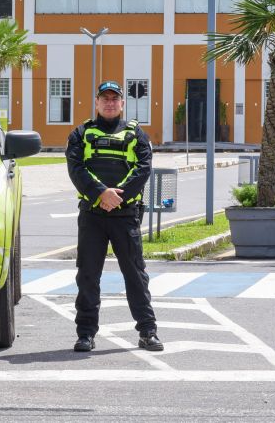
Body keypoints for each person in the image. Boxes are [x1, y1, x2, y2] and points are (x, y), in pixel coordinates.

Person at [65, 80, 163, 353]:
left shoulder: (136, 134)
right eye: (104, 98)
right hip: (92, 216)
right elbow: (76, 169)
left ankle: (147, 331)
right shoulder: (81, 134)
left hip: (125, 216)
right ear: (96, 103)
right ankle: (85, 334)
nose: (109, 103)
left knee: (135, 275)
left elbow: (143, 169)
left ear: (122, 103)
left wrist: (114, 197)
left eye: (114, 98)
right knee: (87, 276)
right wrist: (100, 194)